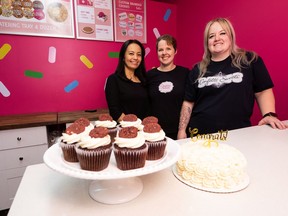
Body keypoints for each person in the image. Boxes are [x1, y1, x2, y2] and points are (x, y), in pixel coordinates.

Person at [178, 17, 287, 139]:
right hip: (199, 136)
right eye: (211, 36)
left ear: (231, 36)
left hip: (237, 135)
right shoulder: (197, 69)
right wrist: (181, 131)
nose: (217, 38)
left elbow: (262, 91)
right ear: (207, 42)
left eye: (222, 33)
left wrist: (269, 114)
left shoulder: (249, 60)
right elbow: (188, 103)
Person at [147, 34, 189, 140]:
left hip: (179, 131)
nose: (164, 53)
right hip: (154, 132)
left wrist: (182, 130)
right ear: (157, 53)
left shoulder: (185, 73)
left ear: (175, 51)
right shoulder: (149, 75)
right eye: (160, 50)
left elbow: (189, 102)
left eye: (168, 49)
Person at [105, 39, 149, 122]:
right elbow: (115, 111)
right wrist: (134, 127)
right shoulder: (113, 80)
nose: (135, 58)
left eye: (139, 55)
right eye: (131, 54)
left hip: (145, 130)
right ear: (123, 57)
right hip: (126, 130)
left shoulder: (145, 80)